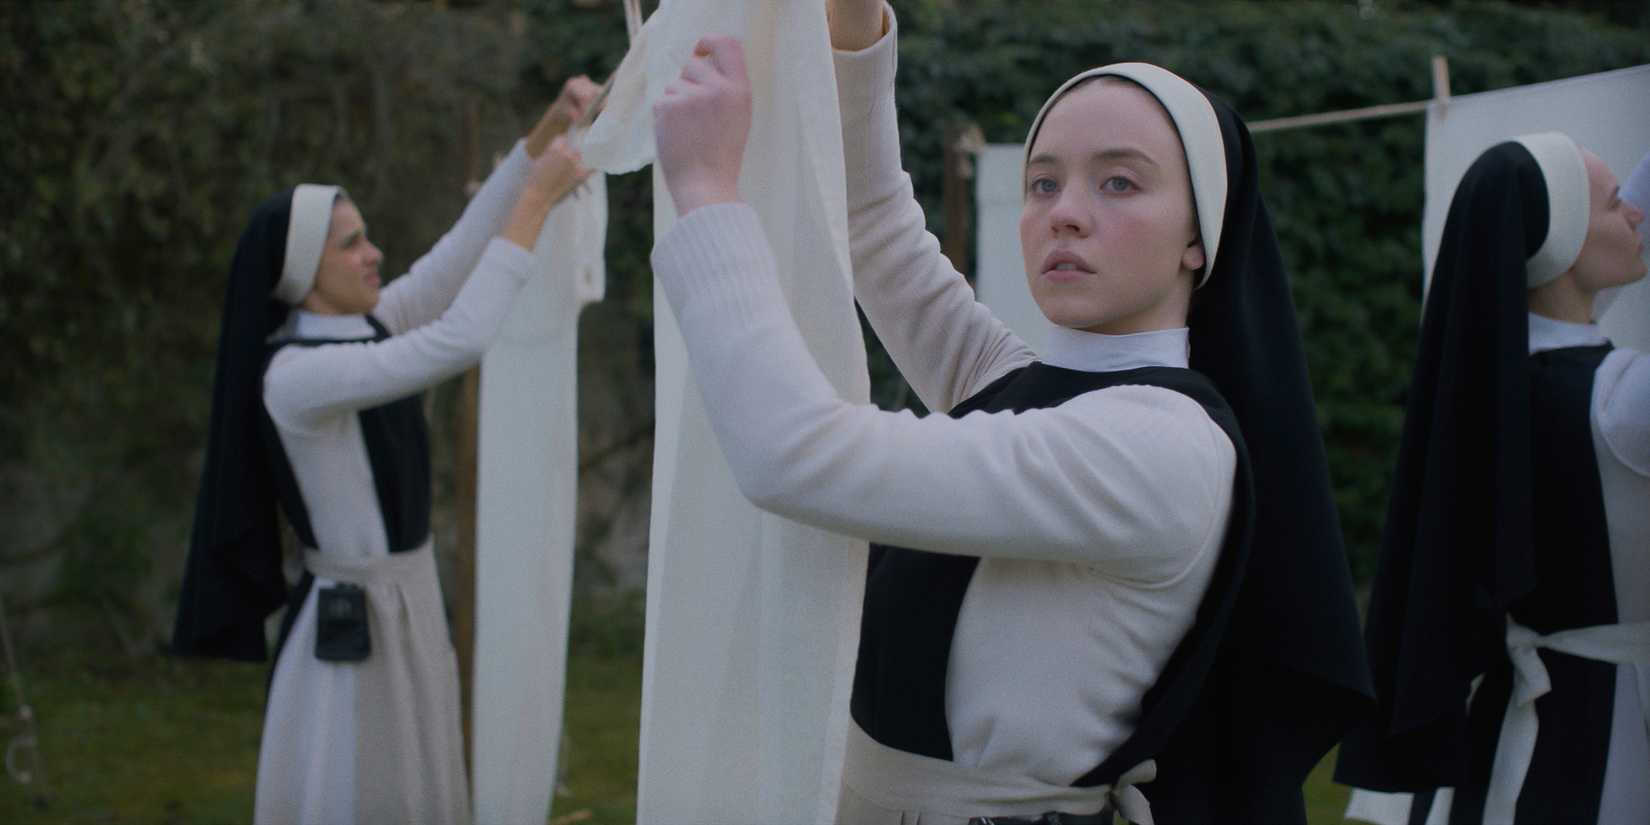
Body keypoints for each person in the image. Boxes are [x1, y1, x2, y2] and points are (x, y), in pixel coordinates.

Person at [645, 3, 1372, 821]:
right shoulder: (1014, 385)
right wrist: (852, 27)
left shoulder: (1166, 450)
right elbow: (874, 224)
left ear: (1199, 236)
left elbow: (798, 454)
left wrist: (707, 192)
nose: (1065, 211)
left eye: (1120, 181)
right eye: (1043, 182)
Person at [170, 76, 596, 824]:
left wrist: (545, 133)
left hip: (409, 606)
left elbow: (458, 253)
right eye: (352, 244)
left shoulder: (369, 326)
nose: (374, 254)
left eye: (366, 237)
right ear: (304, 272)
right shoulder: (296, 376)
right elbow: (459, 339)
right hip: (353, 633)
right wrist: (536, 203)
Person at [1336, 133, 1650, 823]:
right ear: (1563, 244)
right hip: (1610, 739)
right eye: (1612, 204)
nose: (1634, 213)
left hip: (1497, 724)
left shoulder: (1486, 379)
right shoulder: (1622, 404)